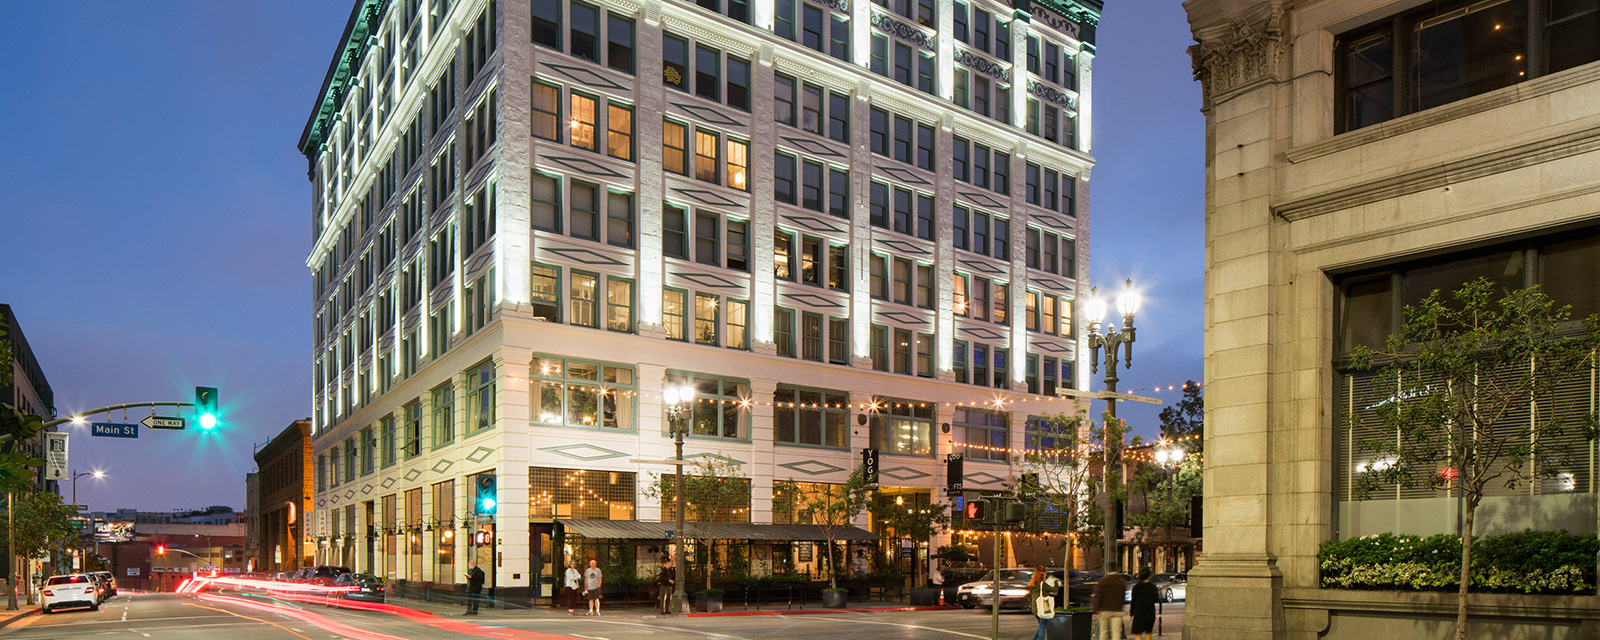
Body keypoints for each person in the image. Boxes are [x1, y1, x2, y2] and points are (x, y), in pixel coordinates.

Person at [1028, 566, 1062, 640]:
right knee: (1043, 627)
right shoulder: (1043, 585)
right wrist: (1056, 581)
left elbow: (1030, 597)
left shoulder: (1032, 584)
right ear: (1042, 575)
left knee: (1042, 626)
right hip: (1042, 608)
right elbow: (1054, 589)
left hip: (1035, 608)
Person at [1091, 571, 1127, 640]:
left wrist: (1097, 609)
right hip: (1117, 610)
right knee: (1116, 632)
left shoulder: (1103, 581)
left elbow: (1099, 596)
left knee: (1104, 632)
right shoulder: (1121, 582)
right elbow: (1122, 597)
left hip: (1104, 610)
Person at [1129, 570, 1159, 640]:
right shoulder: (1153, 587)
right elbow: (1156, 599)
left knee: (1138, 633)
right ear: (1149, 576)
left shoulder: (1136, 587)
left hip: (1138, 612)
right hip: (1150, 612)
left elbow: (1133, 601)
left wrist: (1131, 613)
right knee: (1148, 632)